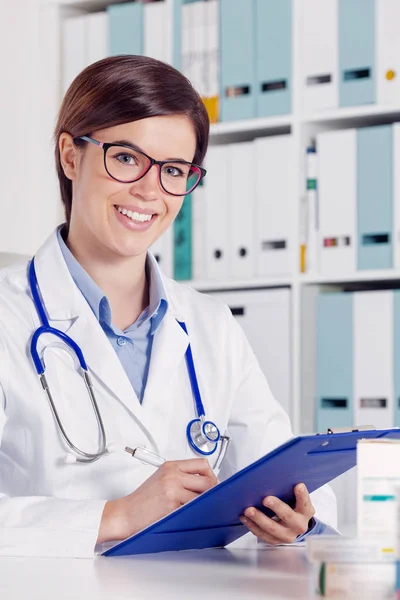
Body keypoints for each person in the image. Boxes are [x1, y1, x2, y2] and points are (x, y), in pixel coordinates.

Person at [0, 55, 336, 558]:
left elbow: (287, 474)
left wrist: (298, 518)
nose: (150, 191)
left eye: (174, 170)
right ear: (71, 156)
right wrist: (117, 515)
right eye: (128, 158)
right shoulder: (10, 316)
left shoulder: (210, 326)